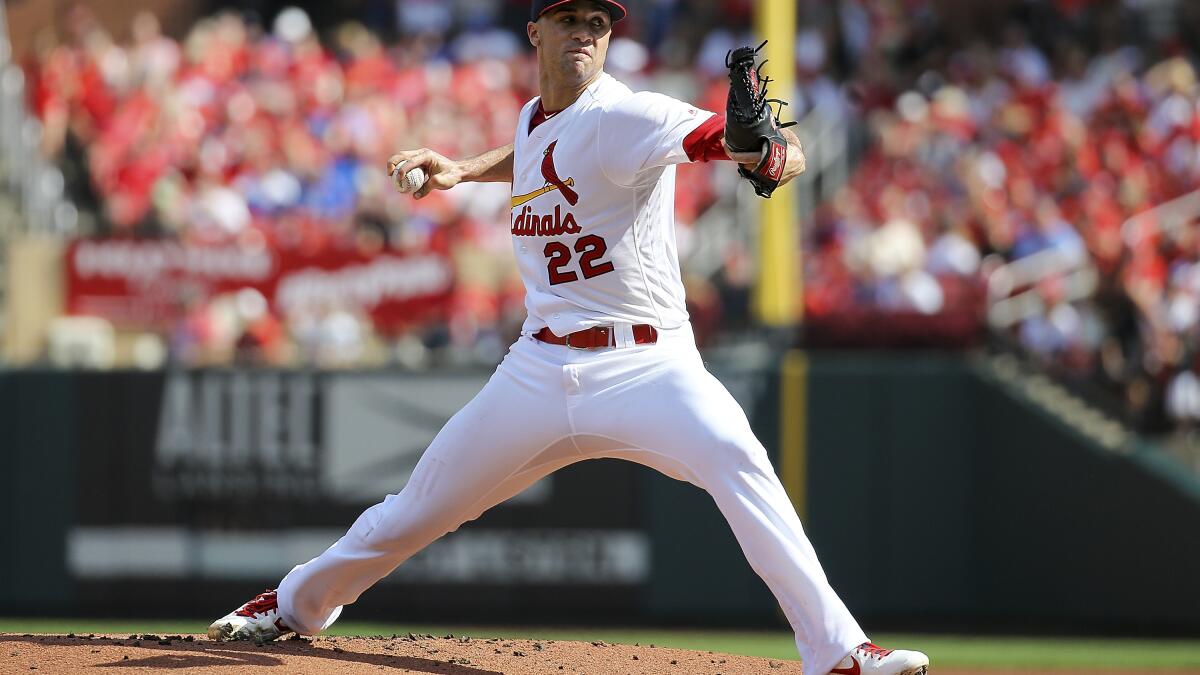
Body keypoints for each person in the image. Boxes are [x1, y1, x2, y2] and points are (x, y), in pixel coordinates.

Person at [208, 2, 929, 673]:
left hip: (649, 365)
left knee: (739, 458)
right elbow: (537, 149)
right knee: (417, 506)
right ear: (535, 32)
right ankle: (296, 601)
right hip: (540, 367)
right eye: (567, 17)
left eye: (597, 20)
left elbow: (740, 142)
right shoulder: (535, 118)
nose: (585, 31)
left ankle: (838, 649)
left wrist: (768, 153)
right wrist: (462, 169)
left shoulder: (628, 113)